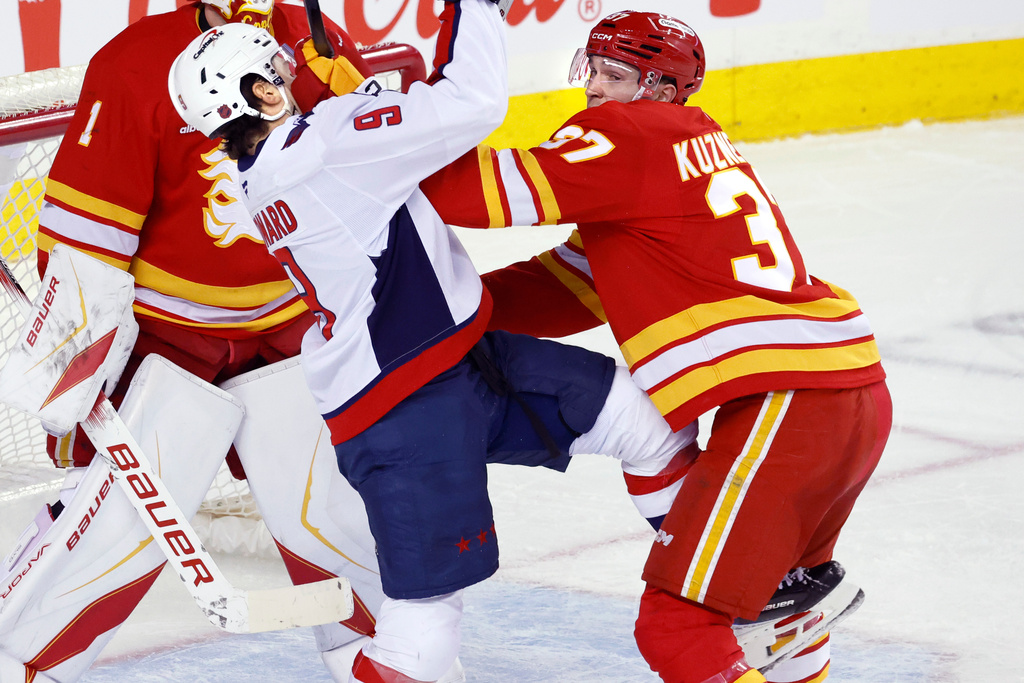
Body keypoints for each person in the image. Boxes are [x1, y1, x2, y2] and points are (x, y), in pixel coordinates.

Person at [166, 3, 709, 681]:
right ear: (266, 94)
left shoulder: (273, 172)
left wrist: (355, 96)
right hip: (405, 404)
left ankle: (715, 579)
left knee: (643, 421)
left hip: (454, 362)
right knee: (419, 639)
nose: (292, 70)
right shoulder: (330, 142)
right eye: (279, 67)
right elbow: (471, 102)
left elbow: (370, 147)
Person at [419, 10, 893, 683]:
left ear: (665, 90)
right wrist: (453, 315)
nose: (595, 91)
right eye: (592, 70)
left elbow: (467, 192)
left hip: (789, 404)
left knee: (677, 628)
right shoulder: (688, 146)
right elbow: (573, 285)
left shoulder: (625, 136)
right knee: (770, 614)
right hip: (848, 393)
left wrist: (366, 134)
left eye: (617, 76)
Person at [0, 2, 392, 681]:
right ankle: (24, 659)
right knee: (124, 513)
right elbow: (85, 231)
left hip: (289, 319)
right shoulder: (136, 62)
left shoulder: (313, 44)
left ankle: (383, 651)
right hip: (168, 338)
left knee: (332, 495)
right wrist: (80, 352)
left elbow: (358, 176)